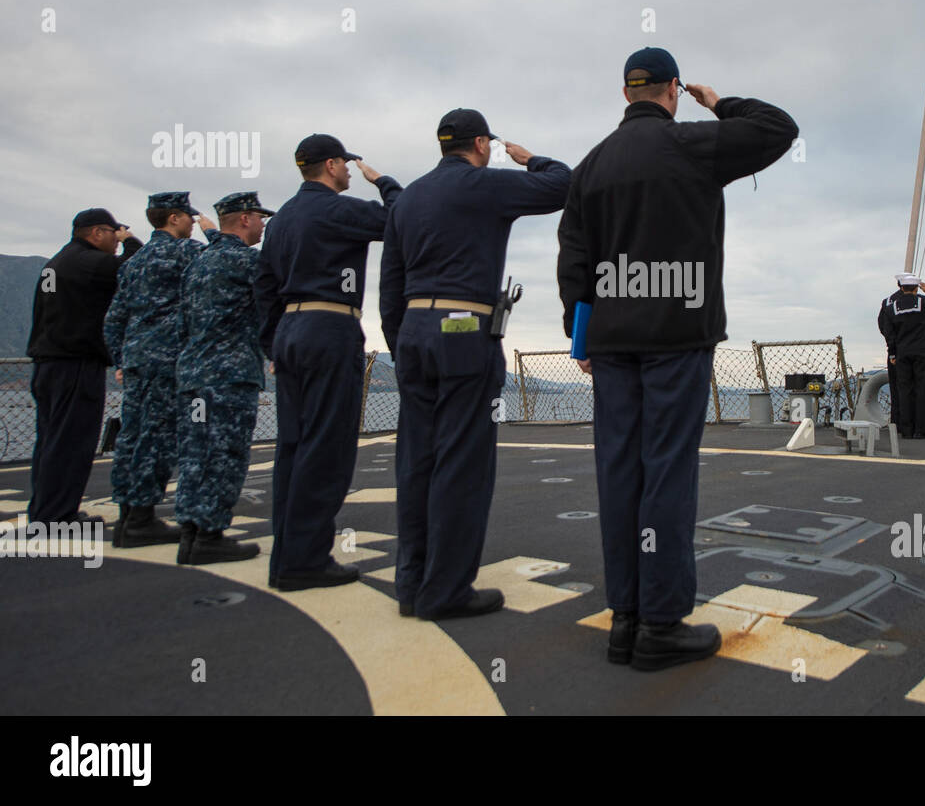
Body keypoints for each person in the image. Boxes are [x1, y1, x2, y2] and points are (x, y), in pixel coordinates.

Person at [557, 47, 798, 670]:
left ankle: (626, 619)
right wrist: (720, 104)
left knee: (620, 472)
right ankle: (661, 624)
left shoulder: (590, 167)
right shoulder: (693, 145)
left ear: (624, 93)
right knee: (666, 471)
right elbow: (779, 128)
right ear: (670, 89)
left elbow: (574, 260)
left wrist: (580, 337)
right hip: (675, 334)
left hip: (610, 341)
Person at [379, 109, 571, 620]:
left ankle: (411, 583)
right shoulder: (483, 184)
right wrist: (531, 159)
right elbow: (563, 185)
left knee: (416, 461)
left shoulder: (410, 197)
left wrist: (401, 345)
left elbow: (390, 283)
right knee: (462, 462)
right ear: (481, 143)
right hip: (463, 329)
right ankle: (446, 591)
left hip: (415, 331)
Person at [254, 134, 401, 591]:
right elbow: (402, 221)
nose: (350, 173)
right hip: (329, 327)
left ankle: (288, 554)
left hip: (289, 333)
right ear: (333, 164)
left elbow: (263, 286)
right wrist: (384, 181)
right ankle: (306, 560)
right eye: (348, 165)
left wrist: (272, 345)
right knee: (327, 447)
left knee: (293, 447)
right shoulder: (339, 210)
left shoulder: (280, 221)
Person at [104, 192, 217, 547]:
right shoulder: (183, 253)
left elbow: (114, 318)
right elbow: (223, 260)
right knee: (157, 437)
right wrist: (213, 232)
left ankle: (126, 516)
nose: (191, 222)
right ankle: (142, 517)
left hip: (137, 359)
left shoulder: (133, 263)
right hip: (167, 359)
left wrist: (121, 360)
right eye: (188, 217)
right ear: (174, 218)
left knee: (132, 436)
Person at [174, 192, 276, 565]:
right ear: (245, 219)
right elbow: (274, 297)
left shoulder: (197, 263)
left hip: (192, 375)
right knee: (226, 455)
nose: (264, 225)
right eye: (261, 218)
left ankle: (189, 532)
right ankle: (211, 534)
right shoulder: (247, 261)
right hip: (229, 375)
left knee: (194, 454)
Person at [26, 209, 143, 525]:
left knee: (50, 441)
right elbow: (137, 268)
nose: (115, 243)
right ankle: (58, 516)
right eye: (112, 234)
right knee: (73, 443)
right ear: (97, 233)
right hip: (75, 365)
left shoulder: (56, 264)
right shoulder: (88, 263)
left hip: (47, 364)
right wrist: (130, 239)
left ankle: (45, 510)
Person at [877, 273, 925, 439]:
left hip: (901, 353)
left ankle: (906, 429)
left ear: (901, 287)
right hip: (921, 350)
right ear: (916, 287)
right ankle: (922, 429)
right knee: (922, 389)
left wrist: (892, 354)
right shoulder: (923, 302)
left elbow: (888, 332)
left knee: (904, 390)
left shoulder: (891, 307)